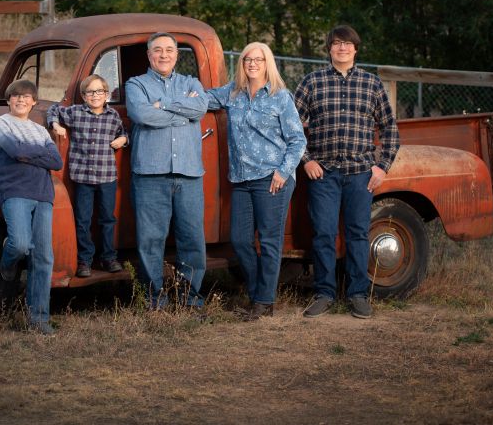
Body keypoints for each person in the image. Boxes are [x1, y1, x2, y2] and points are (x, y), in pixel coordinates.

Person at [294, 25, 400, 320]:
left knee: (357, 235)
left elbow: (390, 128)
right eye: (336, 43)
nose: (342, 48)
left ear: (356, 49)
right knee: (324, 234)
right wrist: (306, 160)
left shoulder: (371, 84)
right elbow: (291, 126)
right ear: (329, 49)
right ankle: (324, 293)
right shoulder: (312, 82)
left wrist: (382, 167)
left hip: (359, 174)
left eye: (347, 44)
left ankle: (357, 295)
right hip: (323, 174)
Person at [206, 42, 306, 321]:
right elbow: (202, 99)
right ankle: (257, 294)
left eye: (258, 59)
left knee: (270, 241)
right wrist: (170, 97)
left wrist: (283, 172)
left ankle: (264, 302)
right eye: (247, 59)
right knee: (239, 240)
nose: (252, 63)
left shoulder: (280, 96)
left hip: (271, 178)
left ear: (267, 63)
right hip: (241, 178)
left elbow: (298, 140)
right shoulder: (232, 92)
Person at [125, 32, 209, 309]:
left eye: (169, 50)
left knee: (192, 238)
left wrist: (164, 105)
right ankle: (155, 302)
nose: (164, 55)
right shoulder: (136, 84)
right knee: (150, 240)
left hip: (189, 173)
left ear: (177, 54)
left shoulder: (191, 83)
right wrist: (180, 113)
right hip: (150, 173)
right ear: (149, 55)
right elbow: (142, 115)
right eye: (158, 50)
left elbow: (200, 107)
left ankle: (191, 300)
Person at [0, 79, 63, 335]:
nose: (20, 100)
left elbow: (56, 162)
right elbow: (14, 150)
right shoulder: (0, 124)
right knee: (20, 244)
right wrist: (34, 154)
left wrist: (26, 152)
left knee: (43, 257)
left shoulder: (41, 130)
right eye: (16, 97)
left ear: (34, 102)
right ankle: (8, 263)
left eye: (26, 97)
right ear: (9, 100)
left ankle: (39, 319)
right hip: (15, 191)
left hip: (43, 194)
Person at [46, 74, 128, 278]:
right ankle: (84, 260)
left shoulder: (113, 116)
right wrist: (55, 125)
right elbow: (54, 109)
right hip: (83, 176)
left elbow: (125, 132)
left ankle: (109, 257)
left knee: (107, 219)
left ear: (106, 94)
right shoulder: (75, 113)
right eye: (90, 92)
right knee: (83, 220)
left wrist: (123, 139)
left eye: (99, 91)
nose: (95, 95)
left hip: (107, 176)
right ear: (83, 96)